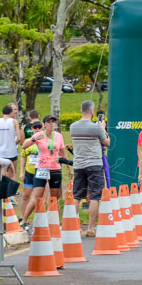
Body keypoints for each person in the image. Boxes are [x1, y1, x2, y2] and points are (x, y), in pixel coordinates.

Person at [70, 100, 110, 237]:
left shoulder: (73, 126)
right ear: (92, 111)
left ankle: (72, 225)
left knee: (77, 195)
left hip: (78, 164)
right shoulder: (96, 127)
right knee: (94, 196)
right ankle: (91, 228)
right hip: (94, 163)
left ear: (82, 110)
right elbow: (107, 142)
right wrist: (103, 127)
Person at [21, 114, 65, 220]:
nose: (51, 124)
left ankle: (54, 222)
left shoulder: (59, 135)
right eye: (49, 122)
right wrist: (34, 139)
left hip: (55, 168)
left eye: (53, 122)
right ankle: (24, 219)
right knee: (37, 196)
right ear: (44, 125)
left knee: (55, 197)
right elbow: (24, 146)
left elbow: (62, 152)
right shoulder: (39, 134)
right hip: (42, 167)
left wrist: (68, 166)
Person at [0, 104, 22, 182]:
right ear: (11, 113)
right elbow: (19, 138)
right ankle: (13, 192)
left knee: (2, 173)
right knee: (13, 173)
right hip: (12, 152)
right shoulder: (14, 122)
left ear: (2, 113)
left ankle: (3, 191)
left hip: (0, 152)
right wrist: (13, 144)